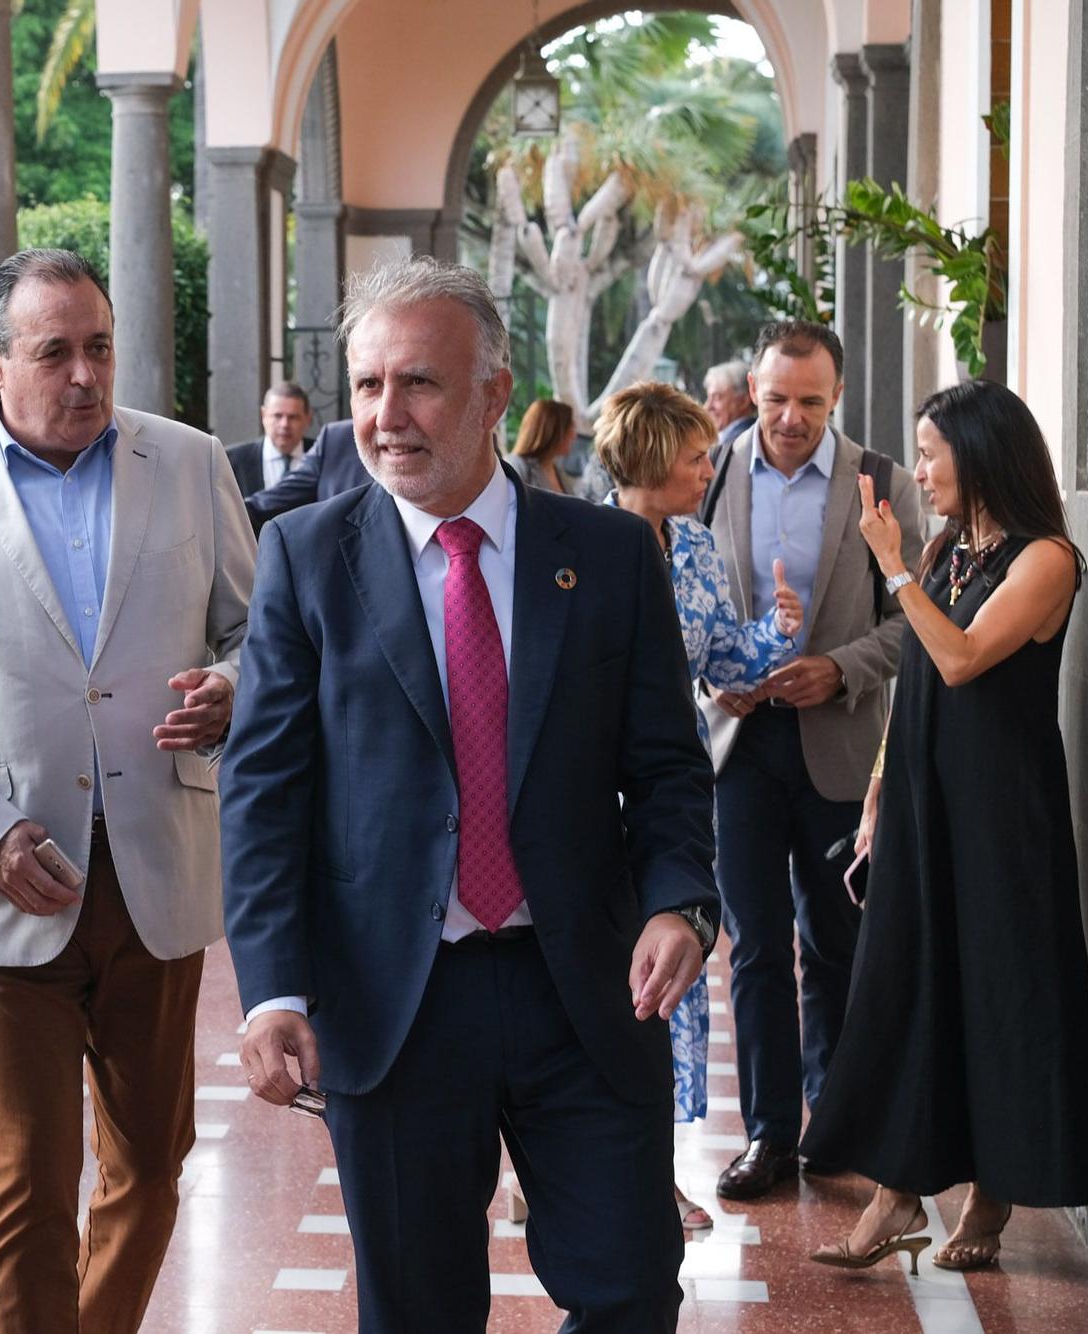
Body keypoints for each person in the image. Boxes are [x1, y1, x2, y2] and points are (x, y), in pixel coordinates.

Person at [222, 257, 718, 1333]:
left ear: (493, 393)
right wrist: (271, 991)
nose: (384, 416)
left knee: (630, 1288)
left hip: (581, 988)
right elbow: (263, 791)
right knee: (415, 1313)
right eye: (364, 386)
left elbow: (669, 766)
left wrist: (679, 900)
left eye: (418, 384)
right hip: (394, 1004)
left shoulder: (608, 555)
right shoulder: (305, 559)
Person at [0, 248, 257, 1334]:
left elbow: (252, 629)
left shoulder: (185, 460)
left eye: (98, 348)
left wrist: (227, 685)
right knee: (28, 1177)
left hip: (155, 868)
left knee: (153, 1164)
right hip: (5, 885)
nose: (83, 375)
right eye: (51, 353)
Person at [802, 379, 1088, 1273]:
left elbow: (963, 658)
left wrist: (893, 569)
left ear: (983, 452)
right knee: (909, 988)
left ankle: (991, 1192)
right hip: (925, 803)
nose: (921, 469)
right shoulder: (947, 551)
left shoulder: (1045, 560)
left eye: (932, 452)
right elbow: (917, 686)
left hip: (1002, 816)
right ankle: (896, 1195)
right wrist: (879, 791)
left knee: (997, 994)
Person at [701, 320, 926, 1202]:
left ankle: (834, 1120)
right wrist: (715, 685)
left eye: (810, 402)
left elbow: (913, 622)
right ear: (754, 391)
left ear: (837, 399)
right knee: (754, 945)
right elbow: (675, 606)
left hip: (839, 747)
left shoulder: (884, 485)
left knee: (835, 941)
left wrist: (839, 670)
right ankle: (769, 1135)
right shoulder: (711, 473)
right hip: (740, 747)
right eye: (775, 399)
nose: (790, 418)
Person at [596, 381, 804, 1233]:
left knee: (670, 974)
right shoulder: (572, 540)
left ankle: (656, 1173)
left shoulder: (693, 548)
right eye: (695, 455)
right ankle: (549, 1162)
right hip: (578, 793)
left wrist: (780, 632)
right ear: (650, 458)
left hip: (670, 789)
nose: (708, 467)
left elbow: (726, 656)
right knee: (581, 975)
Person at [242, 417, 370, 530]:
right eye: (370, 387)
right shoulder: (336, 438)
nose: (285, 424)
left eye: (293, 417)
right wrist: (231, 509)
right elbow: (279, 497)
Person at [225, 382, 314, 498]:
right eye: (277, 416)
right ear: (263, 415)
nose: (284, 425)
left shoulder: (322, 457)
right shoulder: (233, 461)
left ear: (308, 418)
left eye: (293, 417)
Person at [704, 359, 756, 446]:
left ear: (743, 401)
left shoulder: (737, 445)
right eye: (708, 398)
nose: (707, 406)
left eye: (717, 397)